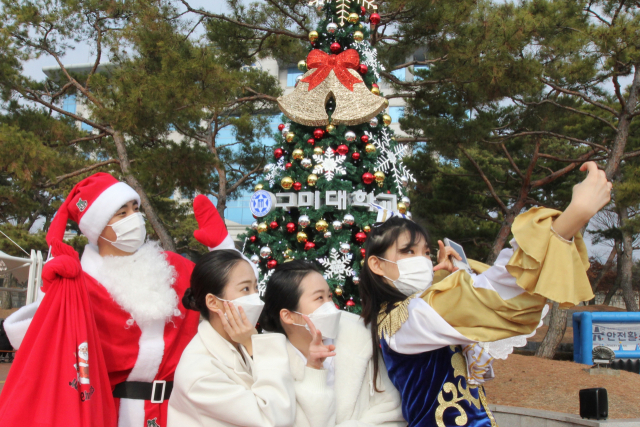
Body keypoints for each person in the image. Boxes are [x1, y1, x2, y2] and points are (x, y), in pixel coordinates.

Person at [358, 162, 612, 427]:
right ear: (376, 264)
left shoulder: (416, 312)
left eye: (425, 252)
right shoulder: (404, 319)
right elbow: (493, 293)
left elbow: (479, 303)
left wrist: (454, 277)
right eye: (408, 251)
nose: (422, 260)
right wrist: (572, 217)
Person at [0, 173, 240, 427]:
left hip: (180, 412)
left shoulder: (174, 267)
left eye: (135, 209)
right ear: (98, 226)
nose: (134, 218)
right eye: (121, 213)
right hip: (110, 414)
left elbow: (237, 296)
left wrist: (224, 250)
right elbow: (38, 345)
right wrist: (49, 294)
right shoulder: (79, 283)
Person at [259, 259, 406, 427]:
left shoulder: (361, 338)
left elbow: (392, 412)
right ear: (288, 316)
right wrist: (314, 371)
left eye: (329, 296)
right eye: (319, 298)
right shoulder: (273, 362)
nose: (330, 305)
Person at [167, 250, 296, 427]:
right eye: (245, 289)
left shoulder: (239, 345)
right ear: (213, 302)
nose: (254, 297)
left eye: (255, 288)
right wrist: (256, 345)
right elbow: (275, 419)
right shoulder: (200, 372)